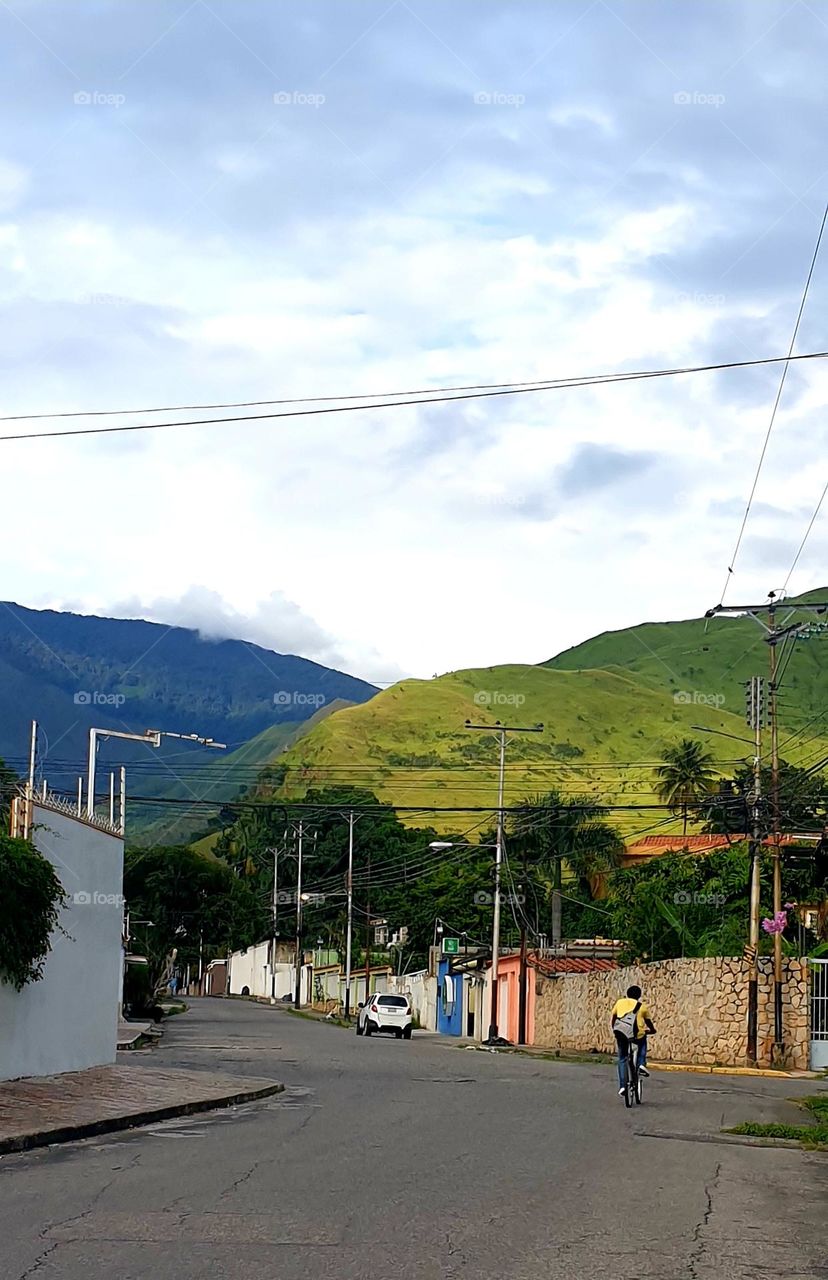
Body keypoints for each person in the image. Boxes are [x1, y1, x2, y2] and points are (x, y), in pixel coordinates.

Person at [611, 984, 655, 1095]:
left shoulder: (619, 1003)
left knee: (622, 1059)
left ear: (627, 994)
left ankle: (622, 1086)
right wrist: (652, 1030)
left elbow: (614, 1018)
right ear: (639, 996)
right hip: (636, 1035)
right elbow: (648, 1022)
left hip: (621, 1034)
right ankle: (641, 1064)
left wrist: (614, 1030)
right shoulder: (642, 1006)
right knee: (642, 1042)